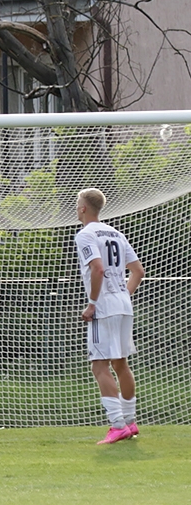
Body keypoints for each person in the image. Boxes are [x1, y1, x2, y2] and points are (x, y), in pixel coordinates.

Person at [75, 188, 145, 445]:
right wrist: (123, 296)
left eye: (77, 203)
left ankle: (117, 426)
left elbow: (98, 268)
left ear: (83, 208)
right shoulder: (116, 233)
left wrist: (93, 303)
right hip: (124, 306)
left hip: (104, 308)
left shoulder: (85, 234)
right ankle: (130, 422)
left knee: (99, 365)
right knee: (120, 364)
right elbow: (138, 271)